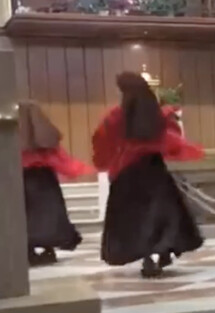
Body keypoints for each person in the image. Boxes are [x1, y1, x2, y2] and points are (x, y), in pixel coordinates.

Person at [92, 72, 204, 278]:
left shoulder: (116, 116)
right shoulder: (157, 114)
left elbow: (102, 141)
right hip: (153, 169)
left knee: (135, 219)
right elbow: (171, 138)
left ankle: (148, 256)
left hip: (128, 171)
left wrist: (106, 162)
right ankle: (160, 250)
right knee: (161, 213)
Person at [19, 100, 93, 266]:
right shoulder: (44, 139)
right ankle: (48, 250)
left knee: (25, 216)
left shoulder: (12, 140)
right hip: (44, 179)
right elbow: (60, 158)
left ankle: (28, 251)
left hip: (20, 180)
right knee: (49, 215)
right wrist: (78, 169)